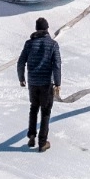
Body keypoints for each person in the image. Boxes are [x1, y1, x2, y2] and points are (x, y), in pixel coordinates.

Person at [17, 17, 63, 151]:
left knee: (33, 108)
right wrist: (58, 83)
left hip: (32, 83)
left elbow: (20, 62)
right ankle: (42, 142)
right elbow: (57, 65)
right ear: (47, 29)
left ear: (36, 29)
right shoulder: (53, 44)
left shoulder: (29, 44)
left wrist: (21, 78)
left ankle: (31, 136)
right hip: (46, 84)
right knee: (46, 112)